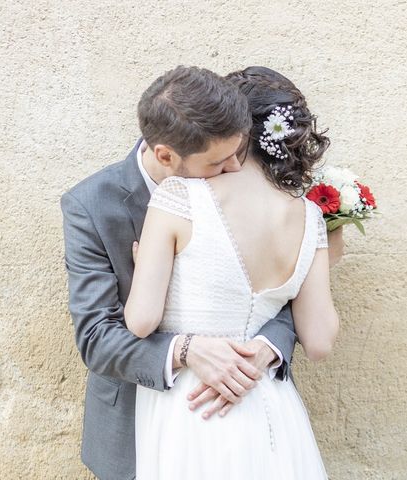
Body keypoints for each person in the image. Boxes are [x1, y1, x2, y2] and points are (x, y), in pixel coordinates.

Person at [61, 66, 317, 480]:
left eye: (239, 151)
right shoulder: (90, 205)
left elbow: (279, 293)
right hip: (139, 427)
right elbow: (96, 338)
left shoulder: (240, 182)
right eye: (219, 161)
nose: (236, 168)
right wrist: (187, 350)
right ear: (165, 155)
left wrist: (267, 346)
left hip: (244, 418)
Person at [125, 66, 340, 479]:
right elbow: (319, 341)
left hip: (192, 404)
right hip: (269, 404)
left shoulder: (180, 197)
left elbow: (140, 320)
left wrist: (146, 267)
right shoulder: (310, 216)